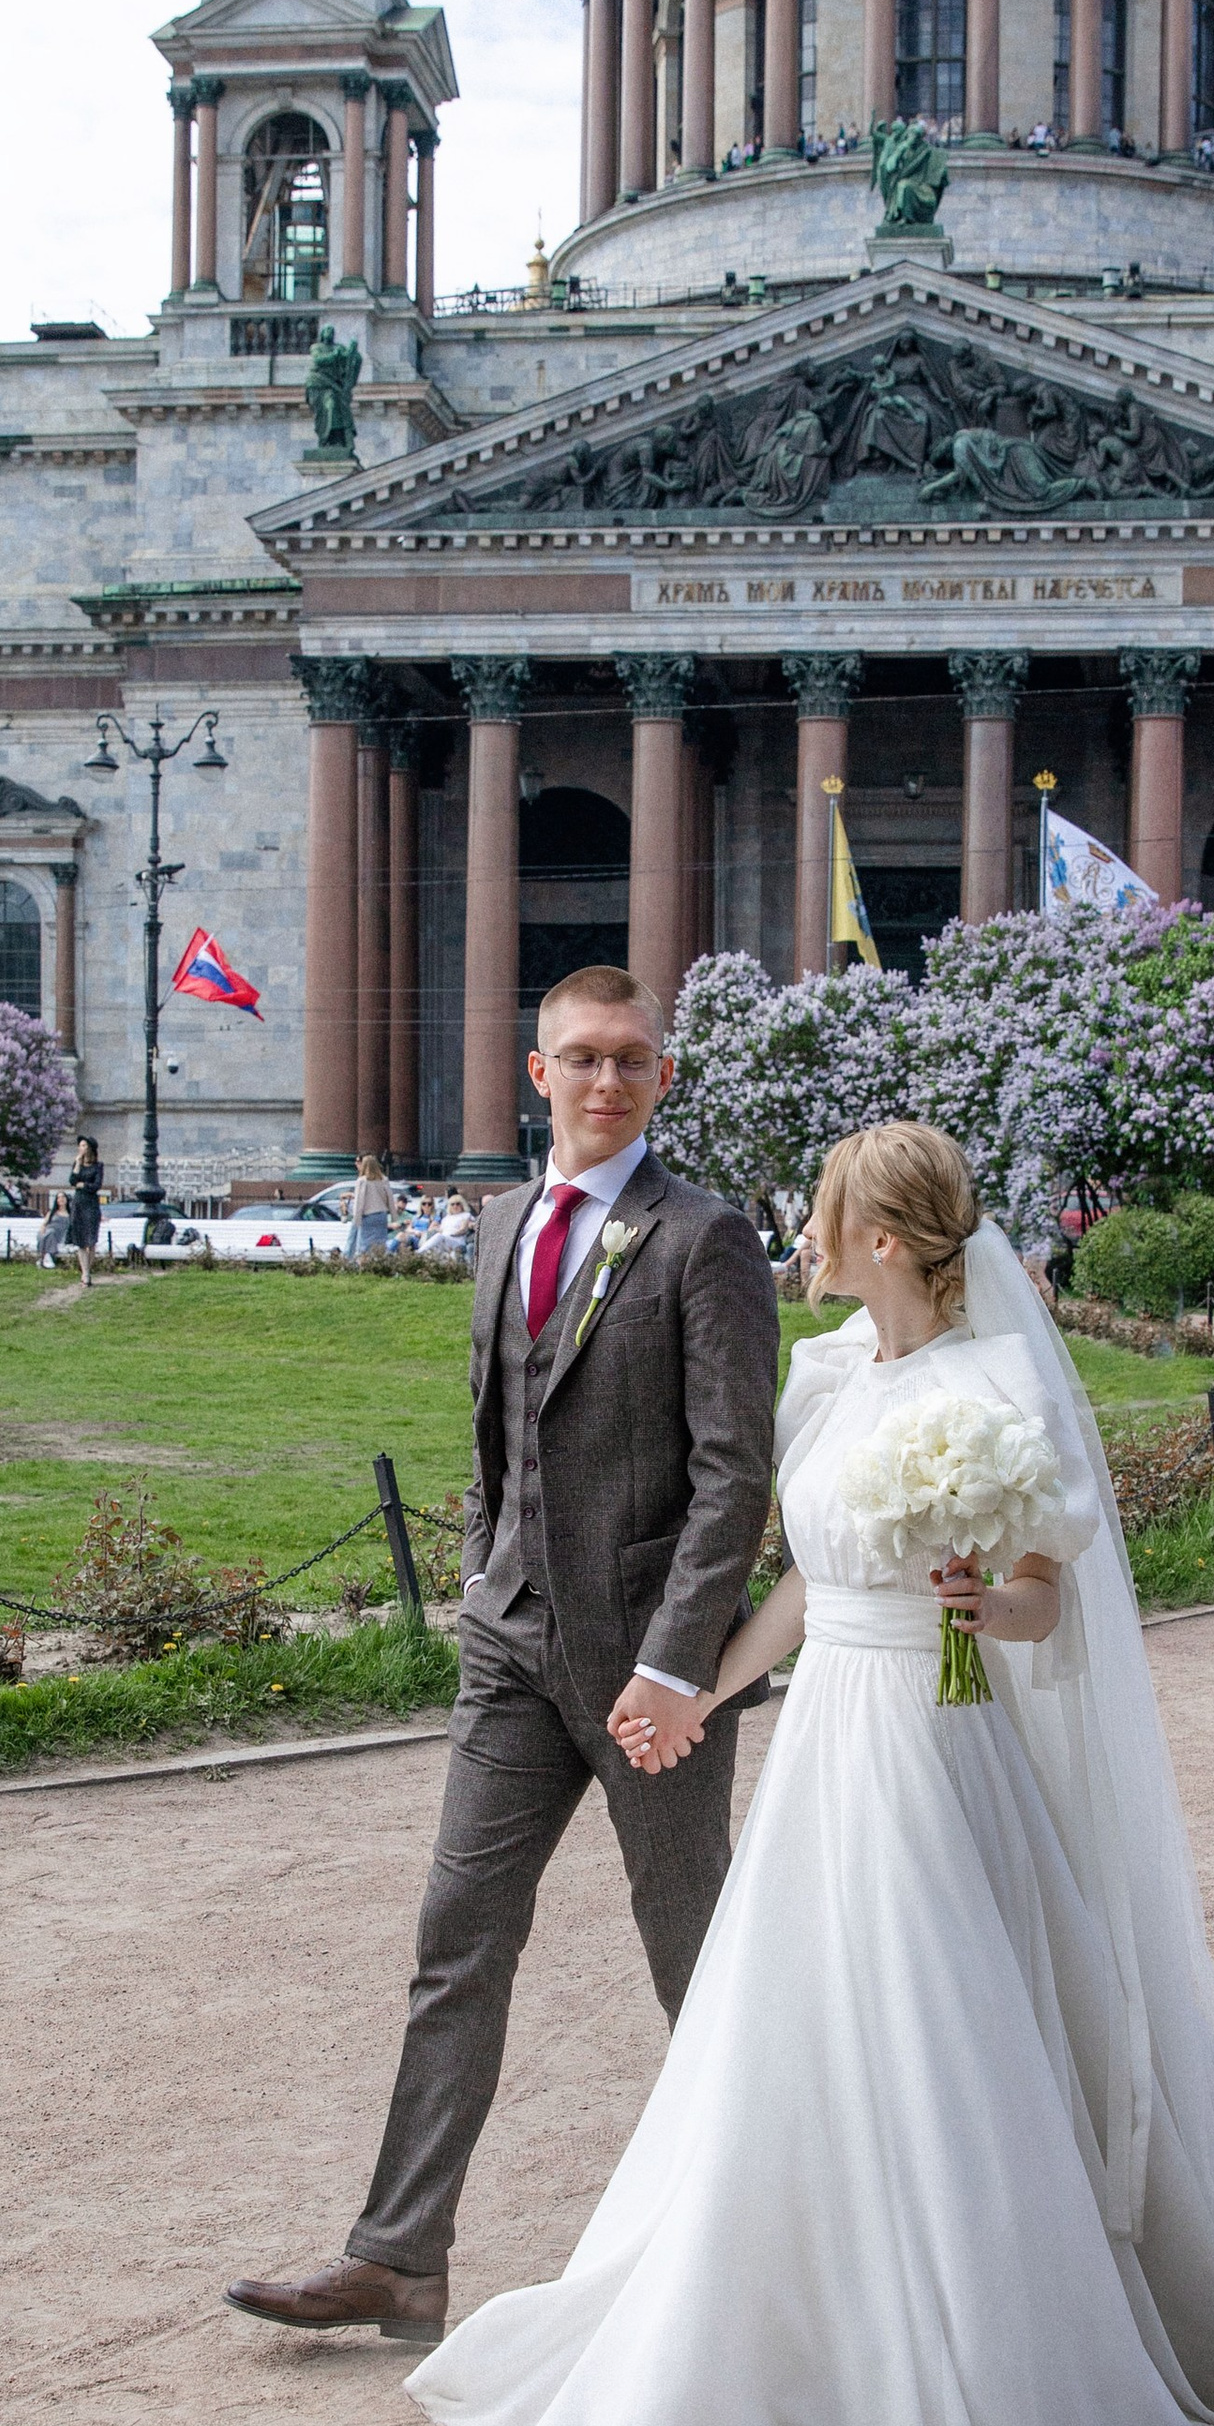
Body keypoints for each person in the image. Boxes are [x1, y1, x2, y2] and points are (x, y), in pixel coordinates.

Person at [396, 1120, 1214, 2426]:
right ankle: (784, 2345)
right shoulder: (826, 1374)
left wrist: (982, 1606)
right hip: (829, 1742)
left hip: (939, 1748)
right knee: (793, 2039)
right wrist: (693, 1690)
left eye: (822, 1213)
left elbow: (1042, 1607)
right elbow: (811, 1591)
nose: (803, 1235)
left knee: (946, 2039)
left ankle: (985, 2384)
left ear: (882, 1238)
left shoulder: (1003, 1386)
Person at [227, 965, 782, 2347]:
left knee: (695, 1958)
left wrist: (676, 1668)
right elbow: (498, 1437)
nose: (607, 1081)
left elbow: (734, 1480)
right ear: (536, 1076)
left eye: (632, 1061)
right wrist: (486, 1582)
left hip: (652, 1682)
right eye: (583, 1058)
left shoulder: (702, 1238)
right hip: (512, 1654)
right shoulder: (494, 1226)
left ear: (662, 1078)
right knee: (455, 1941)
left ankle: (786, 2248)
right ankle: (399, 2259)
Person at [63, 1136, 104, 1292]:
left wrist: (83, 1185)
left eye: (83, 1145)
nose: (81, 1148)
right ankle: (85, 1274)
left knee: (91, 1241)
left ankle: (87, 1270)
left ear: (90, 1148)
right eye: (80, 1145)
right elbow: (72, 1181)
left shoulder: (98, 1166)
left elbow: (96, 1185)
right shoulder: (77, 1163)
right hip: (78, 1204)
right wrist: (77, 1164)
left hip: (91, 1204)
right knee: (80, 1241)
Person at [348, 1153, 394, 1264]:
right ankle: (381, 1265)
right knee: (381, 1243)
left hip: (368, 1216)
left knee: (364, 1246)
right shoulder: (384, 1179)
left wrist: (356, 1219)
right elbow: (390, 1198)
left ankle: (363, 1268)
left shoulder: (362, 1181)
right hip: (382, 1216)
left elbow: (359, 1202)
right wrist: (393, 1215)